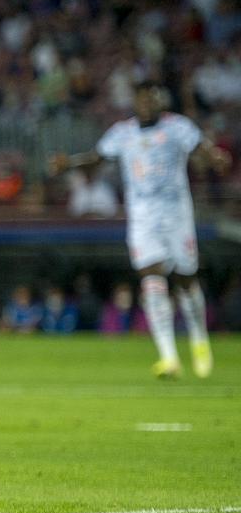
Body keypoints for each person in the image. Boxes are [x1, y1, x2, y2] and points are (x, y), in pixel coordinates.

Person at [52, 80, 229, 378]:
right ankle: (169, 357)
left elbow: (202, 147)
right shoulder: (123, 133)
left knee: (185, 278)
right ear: (135, 103)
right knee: (151, 275)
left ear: (160, 100)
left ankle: (199, 338)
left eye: (152, 98)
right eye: (141, 99)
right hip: (143, 217)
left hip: (176, 215)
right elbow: (97, 157)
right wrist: (68, 163)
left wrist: (215, 156)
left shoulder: (177, 127)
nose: (146, 104)